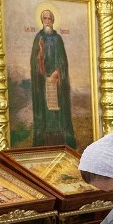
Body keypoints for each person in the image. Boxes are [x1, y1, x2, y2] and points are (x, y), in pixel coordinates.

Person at [30, 9, 76, 148]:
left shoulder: (58, 39)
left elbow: (63, 61)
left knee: (58, 112)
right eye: (45, 18)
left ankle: (62, 141)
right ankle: (45, 142)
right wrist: (40, 54)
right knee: (46, 112)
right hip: (43, 82)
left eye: (49, 18)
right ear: (42, 20)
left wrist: (58, 73)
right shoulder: (38, 38)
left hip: (57, 81)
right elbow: (34, 62)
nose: (47, 21)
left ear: (53, 20)